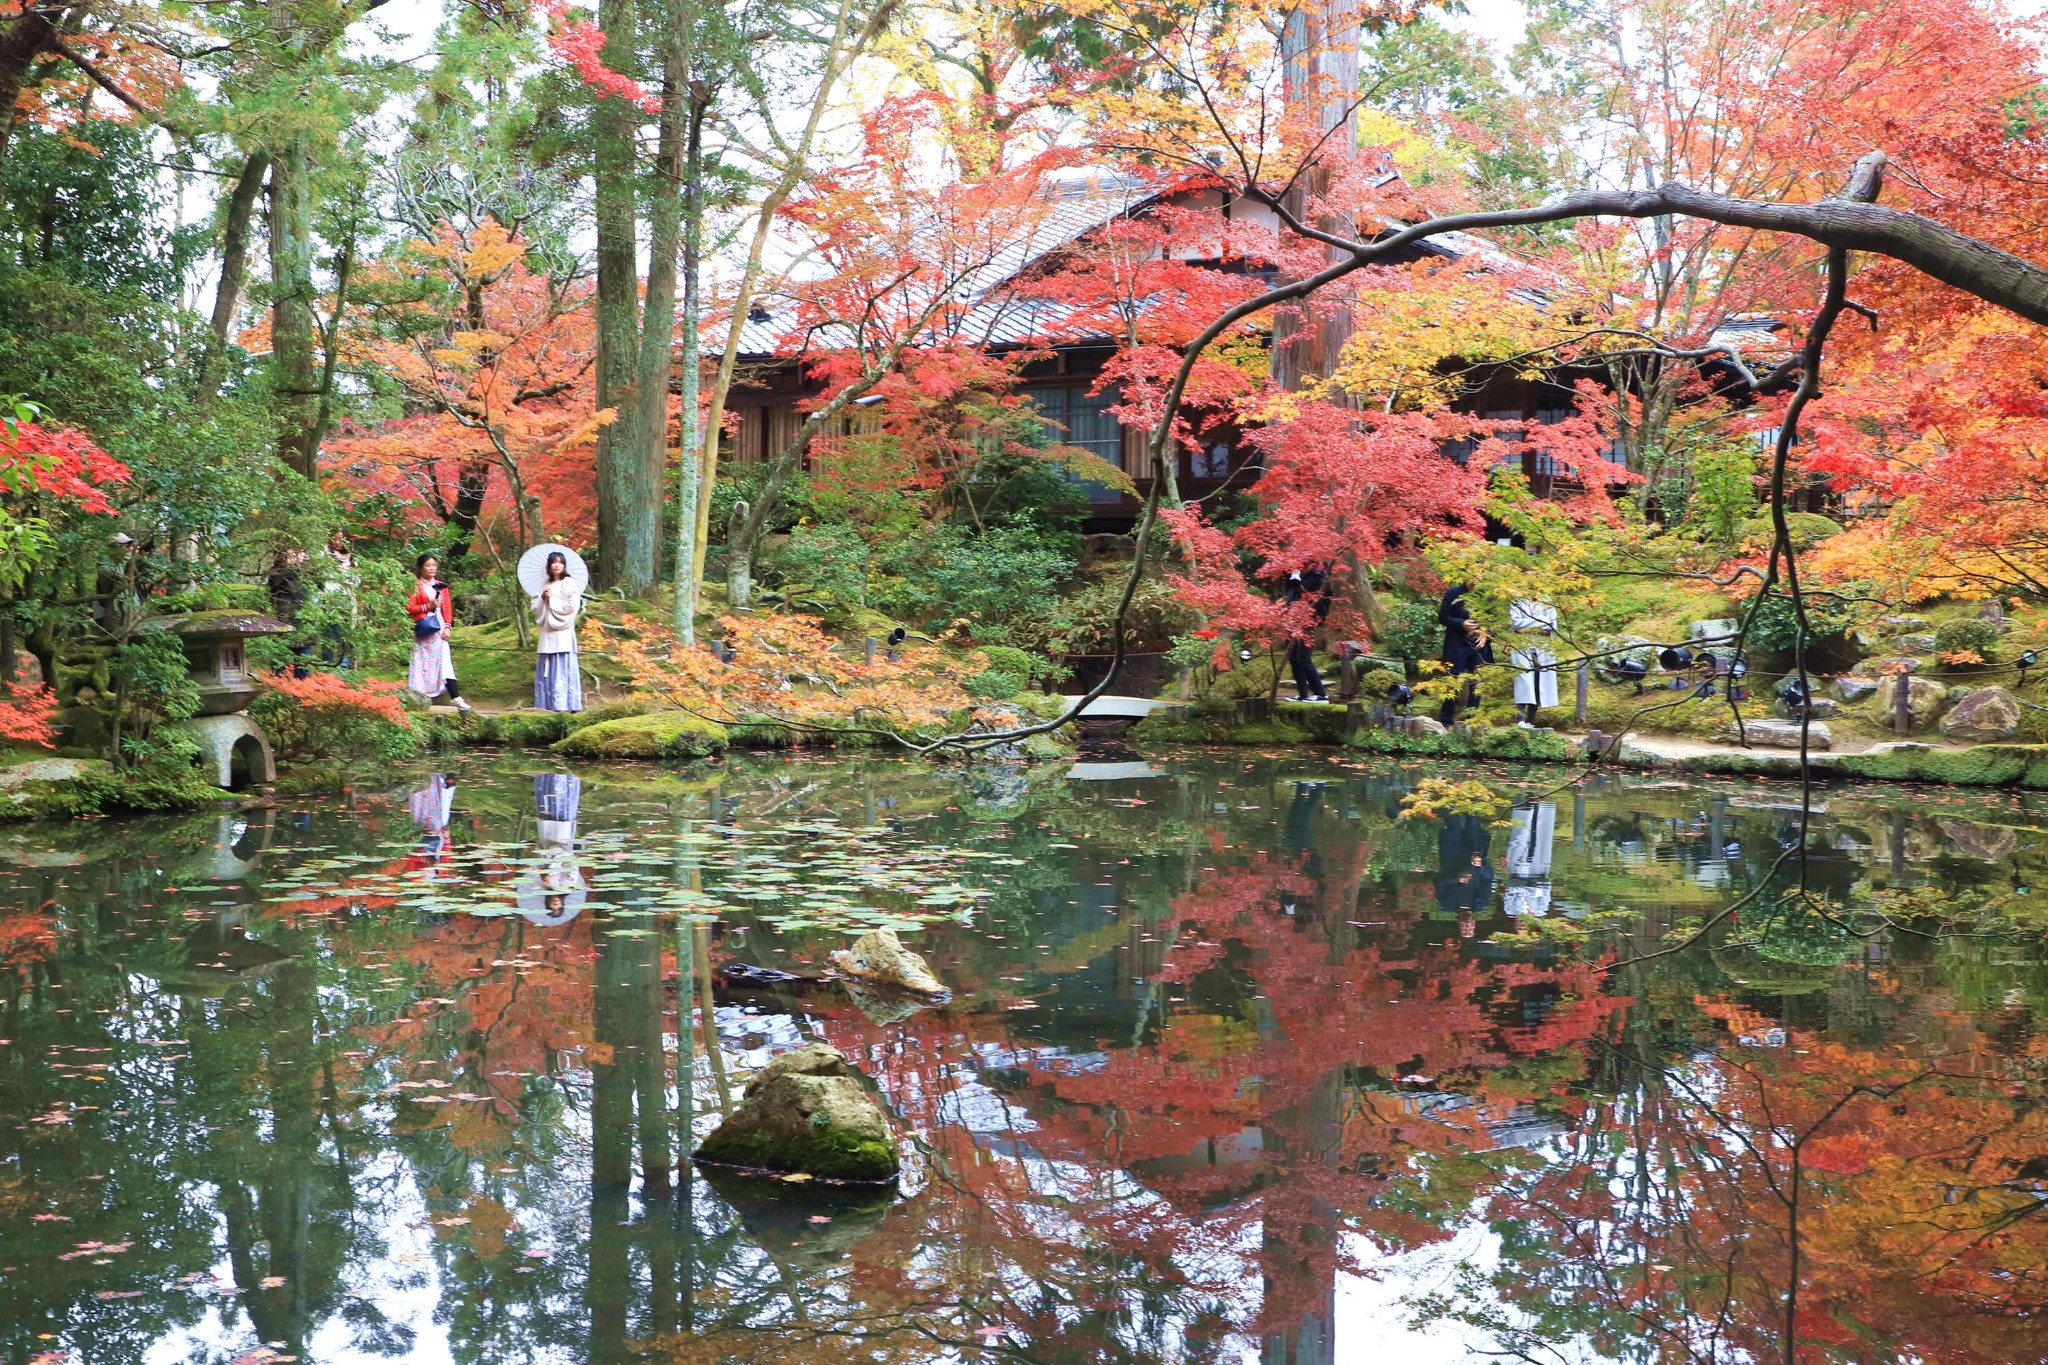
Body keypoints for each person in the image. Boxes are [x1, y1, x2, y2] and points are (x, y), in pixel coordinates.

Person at [406, 553, 471, 712]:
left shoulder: (442, 586)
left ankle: (456, 697)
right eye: (428, 565)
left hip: (439, 629)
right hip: (422, 629)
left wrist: (448, 626)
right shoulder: (414, 585)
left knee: (445, 661)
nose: (432, 568)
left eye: (434, 565)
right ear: (421, 568)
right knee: (420, 663)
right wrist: (426, 607)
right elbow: (409, 607)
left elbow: (447, 607)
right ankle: (417, 698)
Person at [531, 550, 584, 713]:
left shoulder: (569, 583)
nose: (557, 565)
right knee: (547, 663)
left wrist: (552, 599)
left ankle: (565, 704)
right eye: (554, 562)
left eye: (560, 562)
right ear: (549, 565)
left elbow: (571, 606)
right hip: (547, 632)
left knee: (562, 664)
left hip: (562, 632)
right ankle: (545, 703)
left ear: (564, 565)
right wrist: (543, 599)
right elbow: (535, 607)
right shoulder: (543, 585)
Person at [1437, 584, 1493, 723]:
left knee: (1477, 682)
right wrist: (1461, 623)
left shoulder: (1488, 595)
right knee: (1453, 679)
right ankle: (1445, 721)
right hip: (1456, 642)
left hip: (1479, 644)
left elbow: (1495, 621)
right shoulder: (1453, 593)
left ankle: (1471, 721)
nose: (1477, 577)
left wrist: (1487, 634)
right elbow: (1443, 617)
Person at [1508, 598, 1560, 727]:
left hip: (1542, 646)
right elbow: (1516, 624)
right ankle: (1520, 719)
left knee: (1539, 681)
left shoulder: (1548, 601)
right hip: (1523, 645)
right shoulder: (1517, 600)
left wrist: (1527, 625)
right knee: (1523, 681)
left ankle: (1530, 720)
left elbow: (1552, 625)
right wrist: (1541, 621)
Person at [1282, 566, 1331, 703]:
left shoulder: (1318, 571)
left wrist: (1299, 583)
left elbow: (1314, 595)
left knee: (1304, 658)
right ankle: (1303, 694)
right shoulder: (1298, 570)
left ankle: (1320, 694)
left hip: (1307, 619)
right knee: (1294, 658)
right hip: (1292, 618)